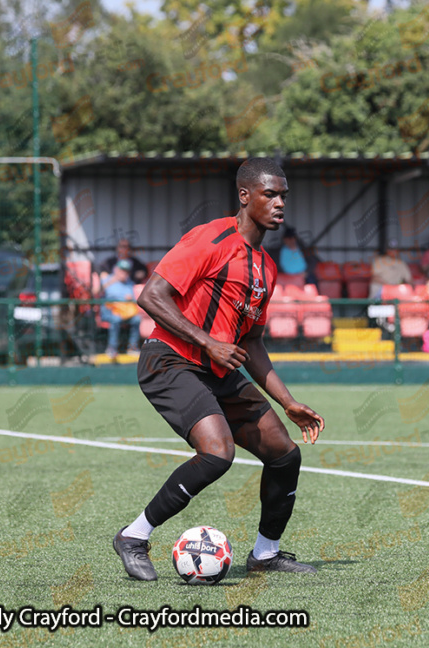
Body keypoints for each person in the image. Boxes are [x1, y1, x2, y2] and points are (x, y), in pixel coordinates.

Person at [113, 158, 325, 581]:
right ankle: (134, 537)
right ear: (245, 196)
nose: (280, 202)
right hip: (169, 360)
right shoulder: (210, 238)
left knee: (284, 454)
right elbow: (151, 296)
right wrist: (209, 341)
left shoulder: (267, 267)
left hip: (217, 368)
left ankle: (266, 554)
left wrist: (287, 402)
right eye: (270, 194)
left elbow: (251, 343)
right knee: (217, 453)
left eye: (284, 195)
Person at [99, 259, 141, 359]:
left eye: (126, 271)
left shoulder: (129, 283)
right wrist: (112, 280)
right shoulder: (107, 279)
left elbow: (132, 298)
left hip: (124, 311)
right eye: (122, 270)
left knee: (137, 319)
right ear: (116, 270)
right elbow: (96, 292)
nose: (124, 273)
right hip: (109, 310)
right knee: (115, 319)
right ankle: (112, 348)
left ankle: (132, 347)